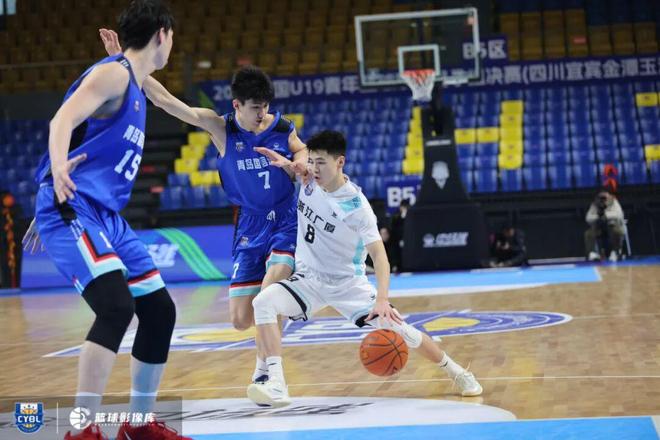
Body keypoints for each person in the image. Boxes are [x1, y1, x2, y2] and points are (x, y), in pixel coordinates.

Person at [99, 30, 307, 385]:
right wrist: (124, 62)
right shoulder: (220, 128)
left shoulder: (281, 127)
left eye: (266, 107)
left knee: (270, 292)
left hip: (286, 219)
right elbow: (165, 100)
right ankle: (289, 306)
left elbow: (300, 149)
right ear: (237, 105)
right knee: (241, 319)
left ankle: (267, 372)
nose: (263, 115)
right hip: (249, 224)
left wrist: (297, 162)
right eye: (255, 108)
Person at [22, 2, 189, 439]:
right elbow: (62, 120)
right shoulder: (114, 74)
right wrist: (56, 172)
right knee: (116, 307)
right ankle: (82, 430)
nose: (173, 43)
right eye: (172, 36)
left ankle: (139, 425)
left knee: (159, 310)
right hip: (75, 204)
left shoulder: (131, 78)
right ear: (162, 34)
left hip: (104, 213)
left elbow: (103, 118)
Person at [246, 130, 483, 407]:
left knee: (404, 332)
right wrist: (291, 164)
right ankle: (276, 382)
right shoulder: (309, 179)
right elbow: (301, 167)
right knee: (263, 302)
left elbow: (380, 257)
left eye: (321, 162)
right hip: (308, 279)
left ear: (340, 162)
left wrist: (382, 299)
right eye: (312, 161)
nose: (314, 168)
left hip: (348, 285)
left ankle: (457, 371)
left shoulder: (356, 207)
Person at [585, 190, 625, 262]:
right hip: (599, 226)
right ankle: (592, 253)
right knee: (588, 234)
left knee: (617, 232)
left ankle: (615, 252)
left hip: (612, 225)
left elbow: (619, 215)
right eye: (601, 197)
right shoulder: (594, 204)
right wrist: (598, 217)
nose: (602, 200)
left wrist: (606, 216)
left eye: (604, 197)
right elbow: (588, 218)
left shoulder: (614, 202)